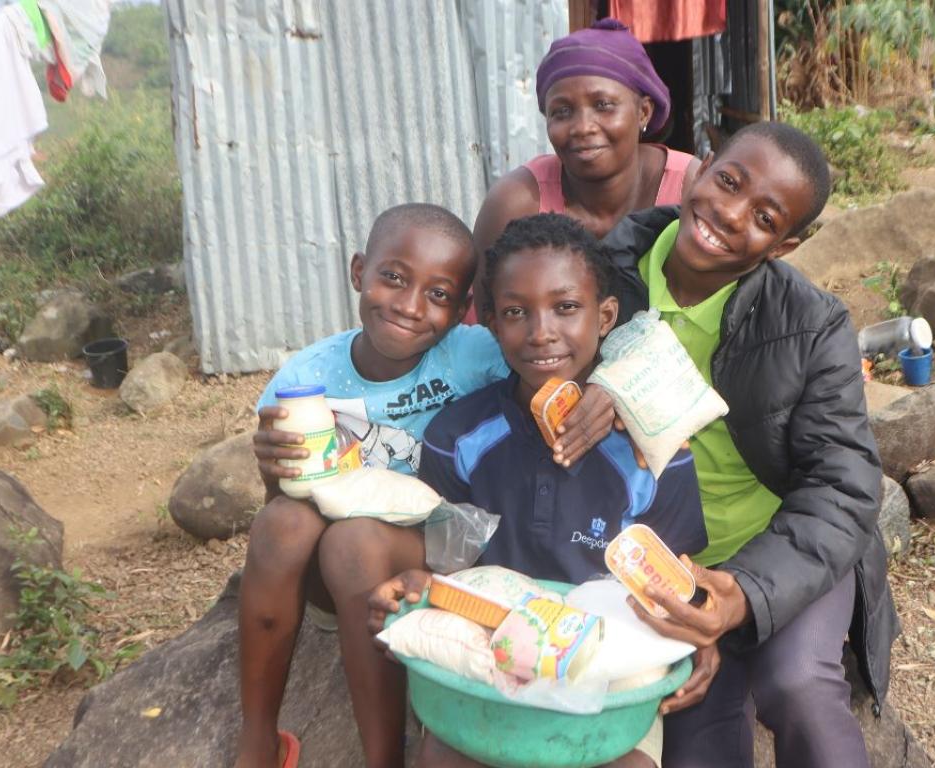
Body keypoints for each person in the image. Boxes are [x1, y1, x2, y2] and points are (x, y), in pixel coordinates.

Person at [236, 204, 615, 768]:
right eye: (393, 277)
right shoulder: (303, 378)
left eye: (438, 295)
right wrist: (274, 476)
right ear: (358, 271)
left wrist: (612, 388)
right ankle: (257, 739)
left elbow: (558, 353)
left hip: (431, 553)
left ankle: (384, 756)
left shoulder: (477, 353)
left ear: (464, 311)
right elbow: (288, 510)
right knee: (285, 522)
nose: (410, 307)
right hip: (332, 576)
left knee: (356, 540)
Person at [597, 122, 900, 768]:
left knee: (799, 687)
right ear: (701, 169)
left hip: (778, 550)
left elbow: (843, 488)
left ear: (785, 244)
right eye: (728, 182)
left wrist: (742, 592)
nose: (729, 215)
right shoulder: (599, 272)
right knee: (688, 729)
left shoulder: (813, 326)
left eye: (764, 217)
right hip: (655, 564)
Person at [366, 213, 708, 767]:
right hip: (487, 670)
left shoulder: (655, 453)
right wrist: (418, 588)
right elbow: (447, 570)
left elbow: (677, 578)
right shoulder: (458, 437)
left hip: (606, 684)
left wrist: (697, 635)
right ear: (493, 325)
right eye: (516, 312)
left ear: (606, 318)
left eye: (566, 307)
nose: (541, 331)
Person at [467, 18, 701, 321]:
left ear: (643, 111)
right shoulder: (517, 202)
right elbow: (490, 320)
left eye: (603, 105)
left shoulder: (688, 187)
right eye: (561, 112)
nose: (582, 128)